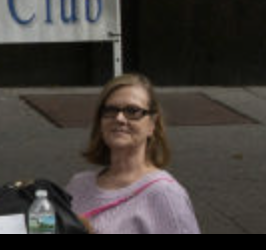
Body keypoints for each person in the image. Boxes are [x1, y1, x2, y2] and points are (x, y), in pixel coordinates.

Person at [65, 74, 200, 234]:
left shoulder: (165, 195)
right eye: (111, 110)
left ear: (152, 124)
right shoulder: (78, 185)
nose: (119, 118)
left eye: (132, 111)